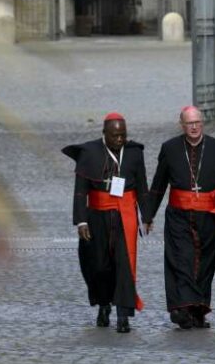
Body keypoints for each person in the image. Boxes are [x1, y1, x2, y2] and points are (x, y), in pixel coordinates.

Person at [146, 105, 215, 329]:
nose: (194, 127)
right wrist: (148, 215)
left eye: (197, 122)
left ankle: (198, 311)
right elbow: (158, 184)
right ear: (181, 125)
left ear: (202, 123)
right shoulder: (170, 148)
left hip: (209, 216)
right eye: (189, 123)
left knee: (205, 263)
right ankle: (181, 309)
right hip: (178, 216)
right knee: (181, 260)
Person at [62, 112, 152, 333]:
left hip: (125, 215)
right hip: (97, 216)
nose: (120, 139)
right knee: (99, 265)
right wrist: (81, 221)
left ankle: (123, 315)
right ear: (104, 133)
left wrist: (147, 216)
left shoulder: (134, 152)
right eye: (115, 136)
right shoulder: (89, 153)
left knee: (124, 264)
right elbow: (80, 192)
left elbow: (142, 187)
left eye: (123, 135)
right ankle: (104, 305)